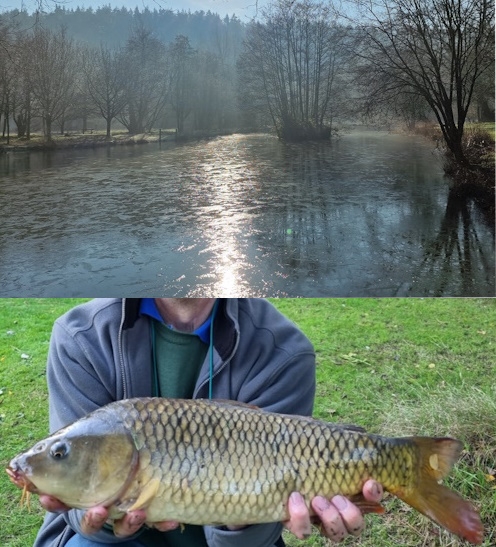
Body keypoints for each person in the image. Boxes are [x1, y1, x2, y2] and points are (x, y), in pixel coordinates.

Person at [34, 298, 383, 547]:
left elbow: (256, 534)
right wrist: (106, 519)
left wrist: (244, 519)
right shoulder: (81, 337)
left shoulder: (284, 351)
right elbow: (81, 516)